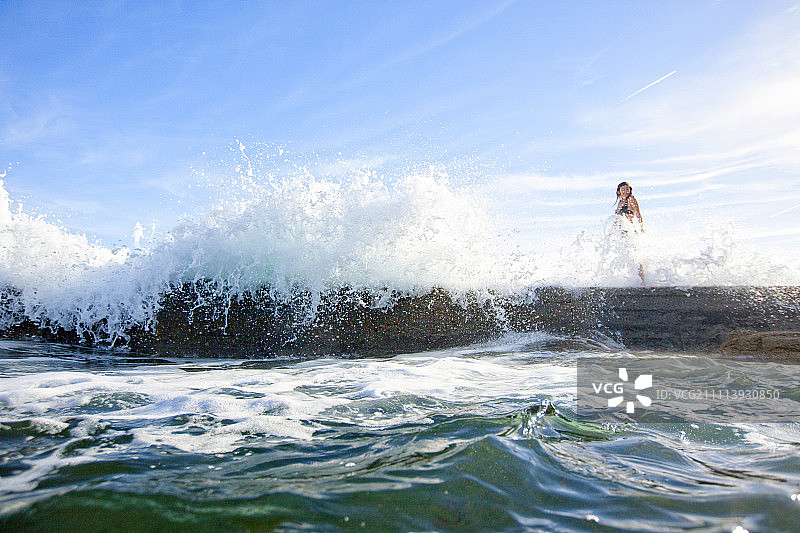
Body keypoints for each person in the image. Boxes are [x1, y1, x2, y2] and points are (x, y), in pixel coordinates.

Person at [614, 181, 644, 283]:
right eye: (623, 189)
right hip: (623, 234)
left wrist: (641, 228)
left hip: (631, 231)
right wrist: (612, 231)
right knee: (628, 257)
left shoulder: (631, 199)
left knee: (635, 256)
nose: (626, 191)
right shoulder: (620, 203)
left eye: (627, 189)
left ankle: (642, 281)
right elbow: (616, 219)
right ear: (619, 192)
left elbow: (638, 214)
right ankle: (634, 280)